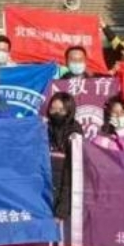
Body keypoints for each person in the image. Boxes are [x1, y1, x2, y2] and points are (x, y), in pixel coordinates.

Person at [46, 92, 84, 221]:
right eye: (53, 109)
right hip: (43, 198)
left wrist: (61, 211)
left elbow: (71, 175)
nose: (56, 113)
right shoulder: (44, 128)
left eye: (61, 110)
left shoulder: (74, 133)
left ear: (69, 111)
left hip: (63, 205)